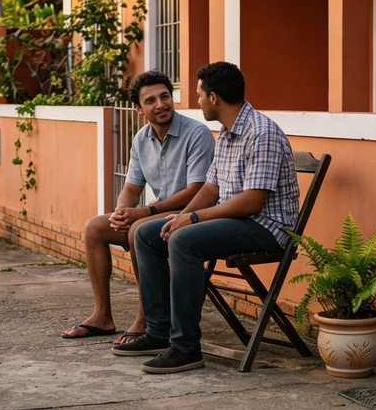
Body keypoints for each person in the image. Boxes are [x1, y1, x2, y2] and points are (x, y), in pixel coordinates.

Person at [115, 61, 299, 373]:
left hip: (265, 227)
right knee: (146, 234)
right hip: (235, 221)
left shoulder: (262, 133)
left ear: (214, 97)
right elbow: (211, 188)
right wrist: (181, 217)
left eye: (200, 95)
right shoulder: (227, 134)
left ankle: (185, 347)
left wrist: (192, 220)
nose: (197, 101)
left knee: (184, 240)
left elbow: (252, 202)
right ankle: (158, 331)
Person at [61, 70, 214, 345]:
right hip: (157, 215)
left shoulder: (197, 133)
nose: (160, 104)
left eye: (165, 96)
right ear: (139, 108)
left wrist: (145, 212)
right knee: (95, 227)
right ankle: (102, 316)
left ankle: (146, 320)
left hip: (190, 215)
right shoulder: (142, 138)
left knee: (139, 230)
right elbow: (132, 188)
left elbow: (197, 190)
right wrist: (121, 212)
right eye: (151, 100)